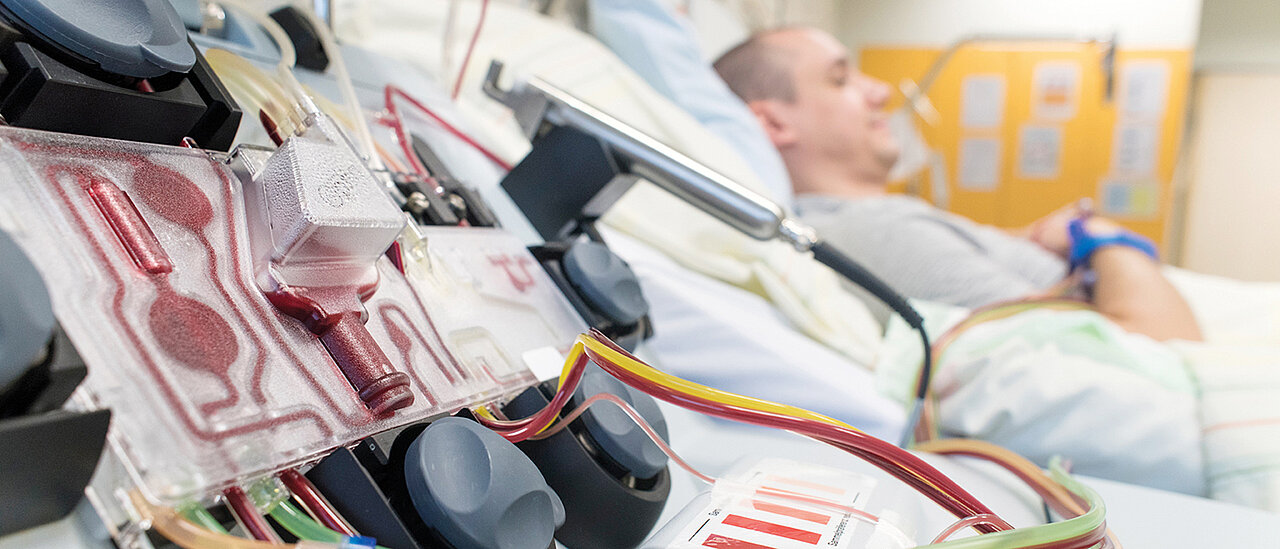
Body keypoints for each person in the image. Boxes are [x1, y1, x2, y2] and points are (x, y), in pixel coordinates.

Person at [713, 27, 1202, 342]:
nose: (881, 90)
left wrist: (1037, 238)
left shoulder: (885, 219)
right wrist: (1101, 237)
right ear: (774, 123)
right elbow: (1158, 346)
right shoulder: (879, 234)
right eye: (840, 80)